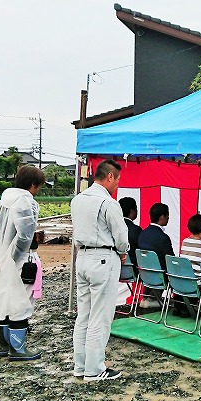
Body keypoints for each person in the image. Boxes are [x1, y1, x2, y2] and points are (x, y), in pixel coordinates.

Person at [71, 158, 129, 381]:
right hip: (104, 256)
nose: (117, 185)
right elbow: (121, 237)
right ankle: (95, 369)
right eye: (118, 180)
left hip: (82, 256)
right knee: (100, 316)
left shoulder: (77, 200)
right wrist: (123, 251)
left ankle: (80, 365)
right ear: (110, 176)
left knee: (83, 315)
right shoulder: (109, 203)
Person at [0, 164, 46, 361]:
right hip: (18, 260)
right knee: (20, 302)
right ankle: (17, 349)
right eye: (39, 187)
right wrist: (17, 256)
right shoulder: (26, 201)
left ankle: (4, 346)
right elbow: (25, 234)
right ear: (33, 185)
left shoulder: (4, 200)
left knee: (6, 300)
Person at [138, 202, 174, 270]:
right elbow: (171, 261)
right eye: (167, 215)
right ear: (162, 217)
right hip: (162, 276)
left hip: (145, 274)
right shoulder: (163, 238)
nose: (168, 218)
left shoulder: (142, 234)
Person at [119, 197, 141, 268]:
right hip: (132, 269)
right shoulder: (136, 230)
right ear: (132, 211)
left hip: (116, 268)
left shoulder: (114, 227)